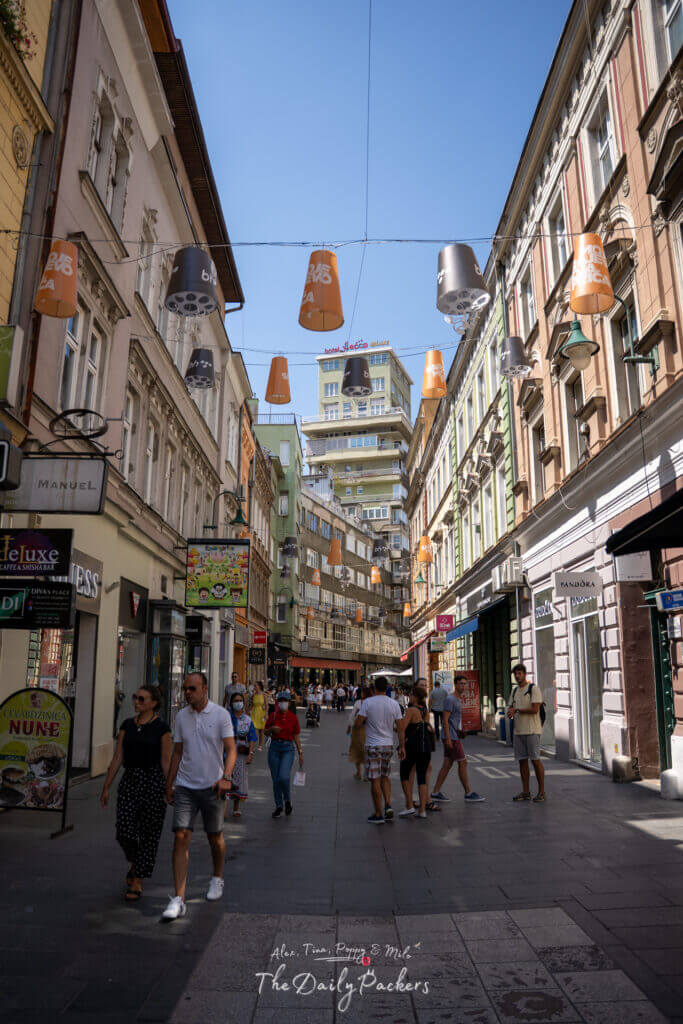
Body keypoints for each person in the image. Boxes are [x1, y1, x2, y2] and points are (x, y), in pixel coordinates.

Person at [163, 672, 236, 920]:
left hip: (213, 786)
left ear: (204, 689)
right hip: (185, 786)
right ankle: (178, 899)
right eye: (185, 688)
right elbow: (177, 752)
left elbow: (231, 749)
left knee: (215, 837)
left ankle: (217, 877)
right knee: (181, 835)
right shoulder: (181, 717)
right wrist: (169, 784)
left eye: (192, 688)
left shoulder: (220, 715)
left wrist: (226, 777)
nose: (187, 693)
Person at [100, 684, 172, 901]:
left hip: (153, 782)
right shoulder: (127, 725)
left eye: (142, 699)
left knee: (149, 833)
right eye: (135, 697)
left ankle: (138, 880)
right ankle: (136, 862)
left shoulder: (162, 728)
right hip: (130, 781)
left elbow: (166, 761)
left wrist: (169, 787)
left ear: (153, 703)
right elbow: (117, 757)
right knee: (124, 830)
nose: (136, 702)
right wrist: (106, 786)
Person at [354, 676, 402, 824]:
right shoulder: (394, 704)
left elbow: (358, 723)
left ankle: (378, 813)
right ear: (387, 688)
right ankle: (388, 805)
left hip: (373, 745)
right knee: (385, 776)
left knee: (375, 779)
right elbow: (400, 727)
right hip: (388, 745)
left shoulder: (368, 702)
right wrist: (402, 746)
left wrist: (364, 722)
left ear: (374, 688)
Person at [431, 675, 485, 804]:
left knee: (447, 764)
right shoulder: (450, 699)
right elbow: (445, 720)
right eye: (461, 683)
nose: (463, 686)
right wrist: (449, 739)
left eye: (465, 684)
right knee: (463, 762)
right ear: (455, 684)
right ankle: (468, 793)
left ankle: (435, 792)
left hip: (453, 735)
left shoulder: (456, 699)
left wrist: (458, 731)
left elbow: (452, 720)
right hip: (451, 737)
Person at [507, 663, 546, 803]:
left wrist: (517, 710)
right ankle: (526, 792)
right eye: (515, 674)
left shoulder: (533, 689)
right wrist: (510, 712)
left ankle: (541, 792)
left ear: (524, 674)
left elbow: (535, 709)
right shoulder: (514, 691)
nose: (517, 676)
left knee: (535, 760)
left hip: (532, 730)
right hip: (518, 731)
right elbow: (511, 707)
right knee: (522, 761)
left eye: (520, 673)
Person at [397, 685, 435, 818]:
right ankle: (422, 810)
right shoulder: (424, 710)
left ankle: (409, 806)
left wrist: (401, 746)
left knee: (404, 774)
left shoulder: (411, 710)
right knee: (422, 777)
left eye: (411, 694)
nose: (410, 696)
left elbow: (402, 728)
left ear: (415, 696)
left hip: (412, 746)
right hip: (425, 747)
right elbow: (427, 726)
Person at [264, 690, 304, 817]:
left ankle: (287, 800)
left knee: (284, 777)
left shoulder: (293, 718)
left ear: (289, 702)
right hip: (274, 748)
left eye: (285, 700)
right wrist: (272, 729)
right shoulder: (273, 716)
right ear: (277, 702)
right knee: (276, 779)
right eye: (280, 700)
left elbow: (296, 735)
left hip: (288, 749)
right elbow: (265, 732)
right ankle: (279, 805)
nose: (283, 703)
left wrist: (300, 752)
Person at [228, 692, 257, 818]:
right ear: (231, 703)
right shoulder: (227, 718)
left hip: (241, 754)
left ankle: (236, 808)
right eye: (235, 700)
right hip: (227, 753)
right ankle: (222, 807)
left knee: (239, 779)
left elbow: (252, 737)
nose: (238, 703)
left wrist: (251, 753)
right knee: (227, 778)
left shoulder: (247, 720)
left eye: (240, 700)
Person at [347, 686, 369, 779]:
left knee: (357, 750)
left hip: (358, 729)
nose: (361, 693)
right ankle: (366, 774)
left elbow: (352, 716)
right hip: (368, 730)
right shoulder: (372, 703)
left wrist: (349, 726)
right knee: (367, 752)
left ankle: (359, 772)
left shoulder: (358, 702)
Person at [250, 680, 268, 750]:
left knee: (261, 730)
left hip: (261, 713)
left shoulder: (264, 695)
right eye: (254, 686)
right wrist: (248, 711)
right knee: (253, 730)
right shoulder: (254, 695)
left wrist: (266, 714)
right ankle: (252, 745)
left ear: (259, 686)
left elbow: (266, 705)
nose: (254, 687)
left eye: (255, 685)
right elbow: (251, 704)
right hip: (254, 713)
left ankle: (260, 745)